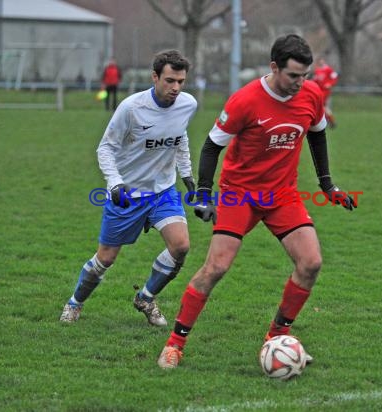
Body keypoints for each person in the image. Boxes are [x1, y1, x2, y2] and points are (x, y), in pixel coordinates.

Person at [157, 34, 356, 369]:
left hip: (282, 194)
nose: (300, 83)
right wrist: (204, 194)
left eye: (304, 75)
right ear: (274, 67)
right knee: (216, 267)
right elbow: (211, 146)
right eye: (293, 75)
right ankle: (175, 344)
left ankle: (277, 338)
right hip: (240, 194)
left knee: (311, 263)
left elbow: (318, 134)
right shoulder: (245, 100)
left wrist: (327, 185)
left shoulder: (311, 94)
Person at [60, 50, 198, 326]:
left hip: (163, 191)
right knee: (106, 258)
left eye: (181, 81)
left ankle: (146, 298)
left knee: (181, 245)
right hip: (128, 194)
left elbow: (179, 137)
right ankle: (75, 303)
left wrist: (187, 175)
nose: (176, 88)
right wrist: (115, 183)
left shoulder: (188, 104)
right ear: (155, 77)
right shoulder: (131, 107)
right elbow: (106, 148)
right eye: (170, 80)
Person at [312, 56, 339, 128]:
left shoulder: (328, 69)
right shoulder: (317, 70)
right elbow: (315, 80)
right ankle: (328, 121)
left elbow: (335, 77)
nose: (321, 62)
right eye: (319, 61)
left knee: (321, 106)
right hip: (319, 91)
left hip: (325, 91)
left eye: (322, 60)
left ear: (324, 61)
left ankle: (330, 121)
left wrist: (330, 84)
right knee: (322, 106)